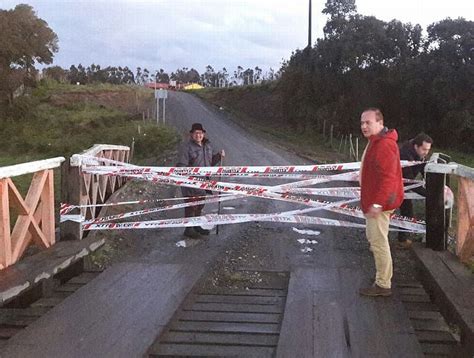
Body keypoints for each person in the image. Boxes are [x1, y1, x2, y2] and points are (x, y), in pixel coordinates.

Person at [359, 108, 404, 297]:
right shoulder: (376, 142)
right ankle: (382, 277)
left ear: (380, 122)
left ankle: (383, 285)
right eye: (362, 123)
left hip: (381, 203)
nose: (363, 126)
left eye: (368, 122)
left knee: (378, 242)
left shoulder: (384, 145)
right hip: (377, 200)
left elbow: (388, 178)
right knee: (376, 239)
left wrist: (377, 204)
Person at [176, 123, 225, 238]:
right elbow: (181, 165)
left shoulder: (207, 146)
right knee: (191, 206)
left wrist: (218, 156)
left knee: (200, 205)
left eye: (200, 133)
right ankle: (188, 230)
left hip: (204, 182)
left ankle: (196, 226)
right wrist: (189, 177)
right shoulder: (187, 148)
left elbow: (210, 162)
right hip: (191, 183)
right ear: (192, 134)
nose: (198, 135)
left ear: (203, 134)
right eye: (196, 133)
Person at [396, 133, 433, 249]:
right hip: (393, 184)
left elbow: (423, 166)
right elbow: (409, 182)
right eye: (424, 149)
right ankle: (377, 241)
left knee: (407, 211)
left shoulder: (418, 153)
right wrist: (429, 194)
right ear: (416, 146)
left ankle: (402, 240)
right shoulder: (404, 154)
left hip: (403, 184)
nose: (426, 153)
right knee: (384, 212)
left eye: (428, 150)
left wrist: (430, 180)